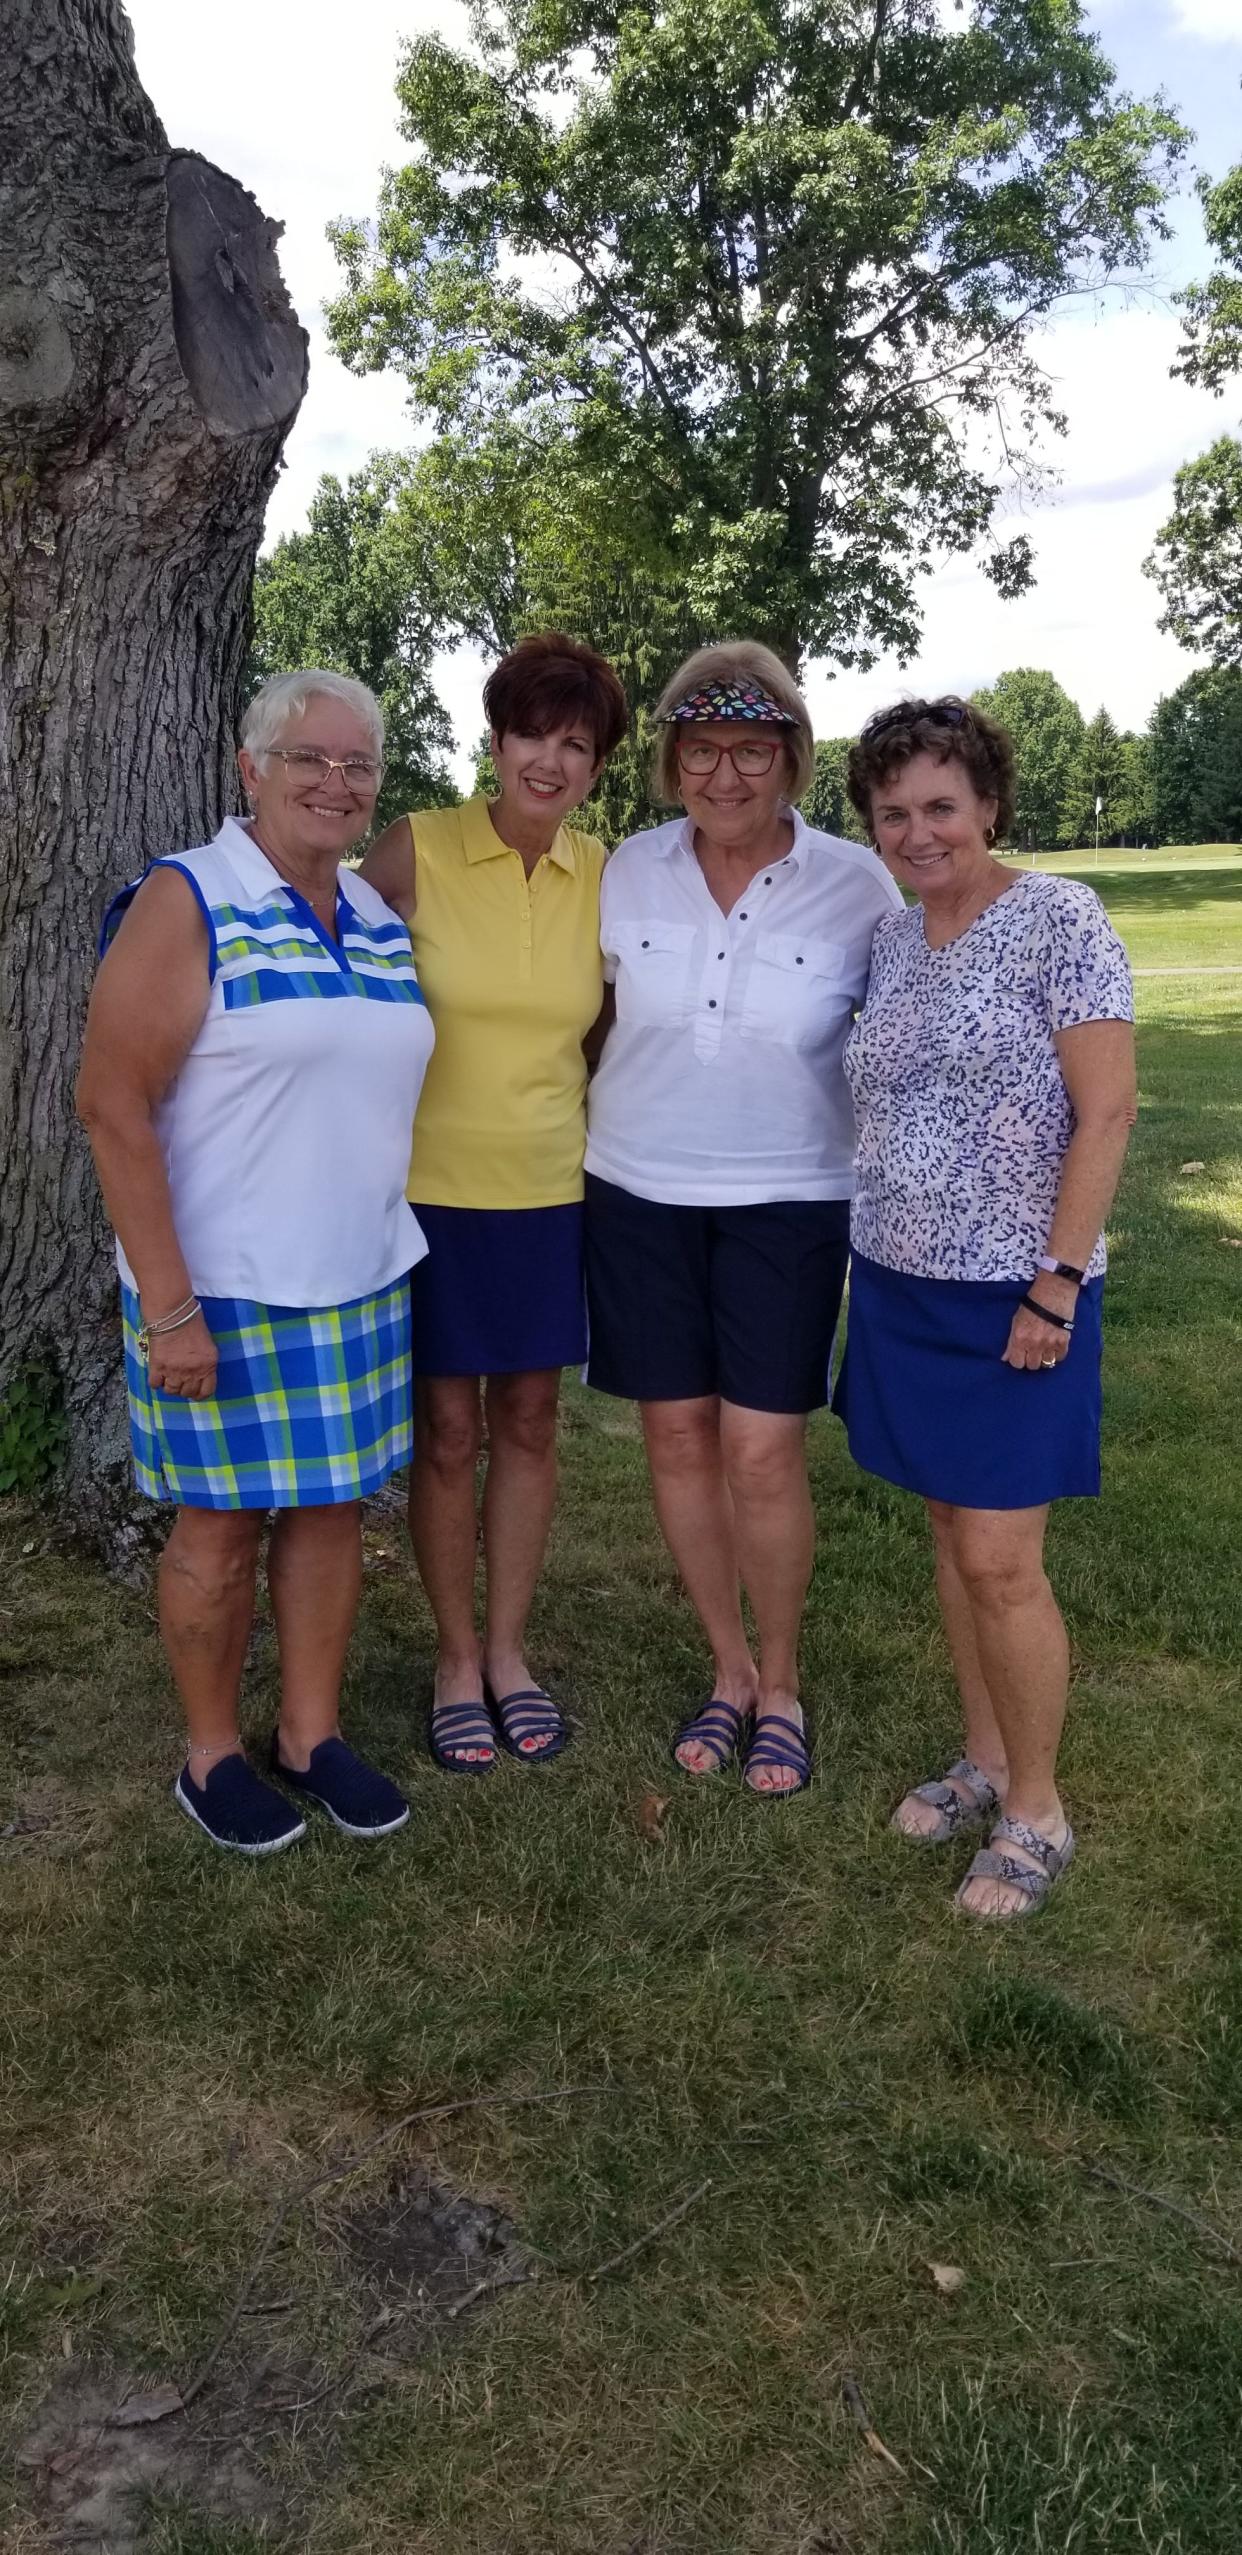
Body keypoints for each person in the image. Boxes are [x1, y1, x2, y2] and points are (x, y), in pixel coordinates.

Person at [76, 671, 435, 1855]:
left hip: (359, 1273)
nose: (336, 782)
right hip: (218, 1289)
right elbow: (111, 1103)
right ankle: (212, 1753)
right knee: (219, 1528)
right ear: (251, 768)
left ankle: (311, 1732)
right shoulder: (190, 896)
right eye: (307, 758)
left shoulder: (378, 915)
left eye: (358, 765)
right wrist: (167, 1306)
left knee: (331, 1513)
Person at [583, 641, 904, 1795]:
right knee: (675, 1437)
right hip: (634, 1187)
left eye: (753, 751)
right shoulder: (622, 869)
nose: (727, 774)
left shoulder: (857, 882)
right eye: (704, 749)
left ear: (791, 759)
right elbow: (589, 1017)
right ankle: (725, 1672)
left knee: (761, 1449)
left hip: (792, 1197)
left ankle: (782, 1681)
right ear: (673, 760)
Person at [835, 696, 1136, 1919]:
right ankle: (985, 1754)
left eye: (940, 807)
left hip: (1021, 1292)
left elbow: (1107, 1111)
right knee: (953, 1534)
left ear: (990, 805)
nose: (917, 832)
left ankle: (1039, 1809)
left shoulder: (1060, 919)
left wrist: (1055, 1284)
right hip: (901, 1281)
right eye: (893, 811)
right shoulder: (896, 940)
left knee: (1005, 1558)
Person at [363, 633, 628, 1774]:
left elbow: (611, 1030)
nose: (551, 760)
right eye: (535, 733)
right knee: (449, 1431)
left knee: (528, 1421)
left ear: (597, 766)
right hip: (424, 1195)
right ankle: (454, 1657)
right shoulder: (414, 849)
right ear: (497, 736)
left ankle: (512, 1653)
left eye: (578, 744)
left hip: (551, 1192)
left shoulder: (606, 872)